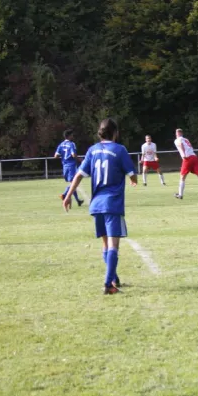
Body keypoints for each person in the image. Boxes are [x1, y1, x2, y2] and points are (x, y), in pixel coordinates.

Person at [63, 118, 137, 294]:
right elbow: (132, 174)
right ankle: (107, 285)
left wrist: (68, 196)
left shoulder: (92, 150)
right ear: (115, 133)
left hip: (96, 205)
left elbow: (79, 175)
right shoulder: (120, 150)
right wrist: (133, 179)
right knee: (113, 245)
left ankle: (113, 278)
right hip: (112, 203)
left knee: (105, 244)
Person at [54, 129, 83, 206]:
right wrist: (80, 160)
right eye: (72, 135)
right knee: (73, 183)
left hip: (65, 166)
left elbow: (56, 156)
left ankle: (78, 201)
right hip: (71, 166)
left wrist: (63, 156)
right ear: (69, 136)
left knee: (72, 183)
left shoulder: (61, 144)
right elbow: (73, 155)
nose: (73, 136)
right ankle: (64, 195)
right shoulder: (72, 144)